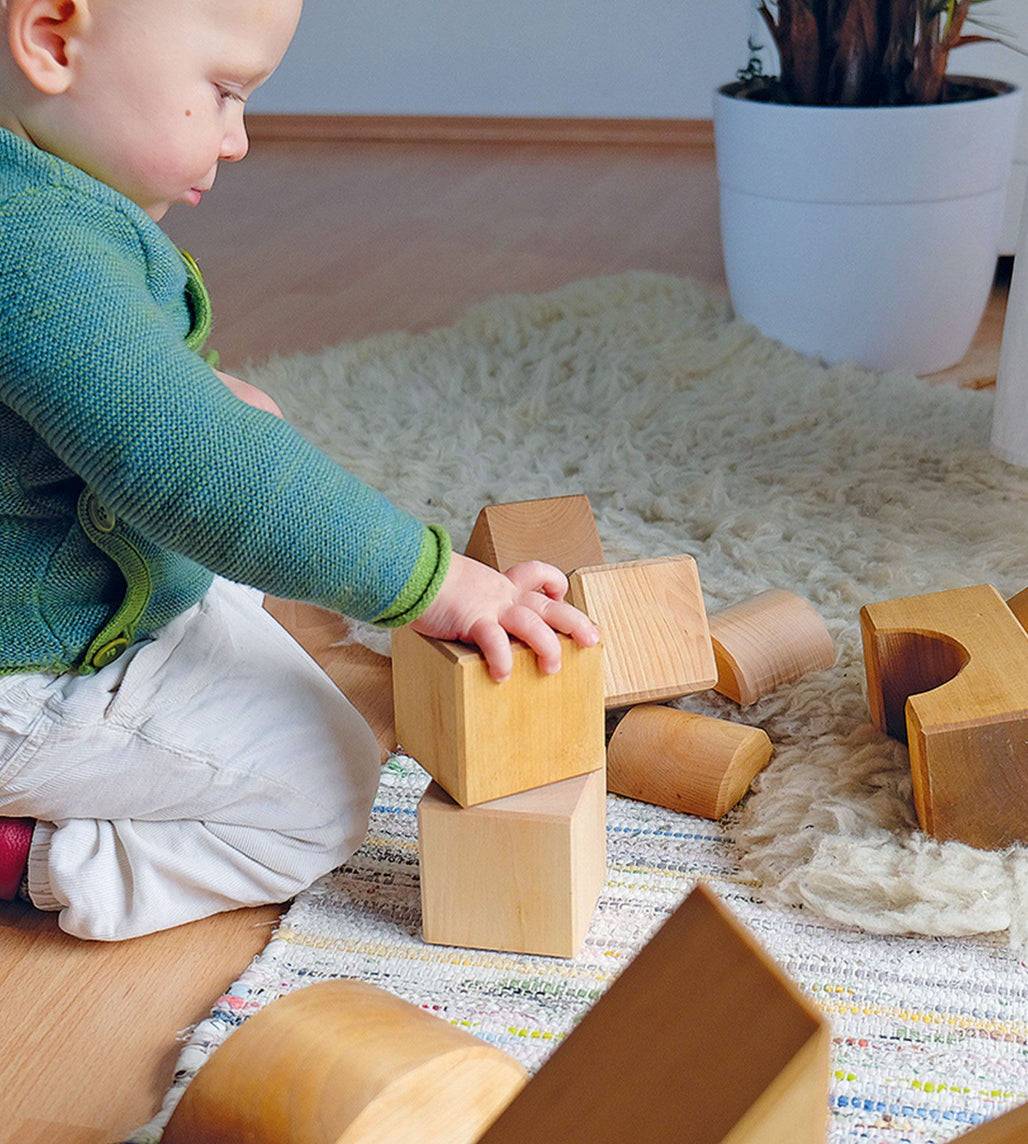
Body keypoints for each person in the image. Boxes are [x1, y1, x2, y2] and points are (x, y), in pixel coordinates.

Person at [0, 0, 599, 939]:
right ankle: (26, 852)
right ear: (53, 40)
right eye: (225, 93)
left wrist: (196, 403)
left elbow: (84, 394)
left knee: (241, 510)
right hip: (26, 674)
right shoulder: (30, 247)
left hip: (48, 591)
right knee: (328, 789)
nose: (238, 141)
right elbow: (203, 475)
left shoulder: (35, 203)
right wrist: (436, 587)